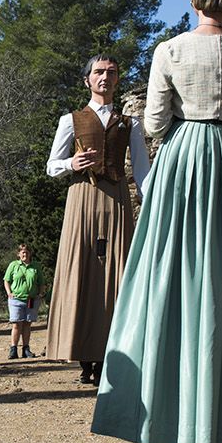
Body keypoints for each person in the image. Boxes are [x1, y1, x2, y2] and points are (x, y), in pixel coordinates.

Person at [93, 0, 222, 443]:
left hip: (182, 165)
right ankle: (220, 427)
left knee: (168, 283)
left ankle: (168, 421)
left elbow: (153, 124)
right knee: (221, 288)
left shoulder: (170, 51)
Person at [46, 53, 149, 385]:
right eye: (99, 72)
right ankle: (85, 356)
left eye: (112, 72)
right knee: (84, 274)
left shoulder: (130, 122)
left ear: (117, 80)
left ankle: (111, 355)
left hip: (118, 201)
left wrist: (152, 204)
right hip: (82, 200)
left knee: (117, 276)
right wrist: (71, 164)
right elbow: (51, 166)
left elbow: (143, 171)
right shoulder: (70, 120)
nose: (105, 77)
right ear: (87, 80)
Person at [2, 243, 43, 360]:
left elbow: (41, 282)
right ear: (18, 254)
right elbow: (6, 280)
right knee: (16, 324)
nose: (25, 254)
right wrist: (9, 292)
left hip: (31, 299)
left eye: (27, 252)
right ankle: (13, 349)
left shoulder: (35, 266)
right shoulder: (13, 265)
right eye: (23, 252)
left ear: (30, 254)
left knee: (27, 324)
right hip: (16, 300)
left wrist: (40, 294)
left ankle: (26, 349)